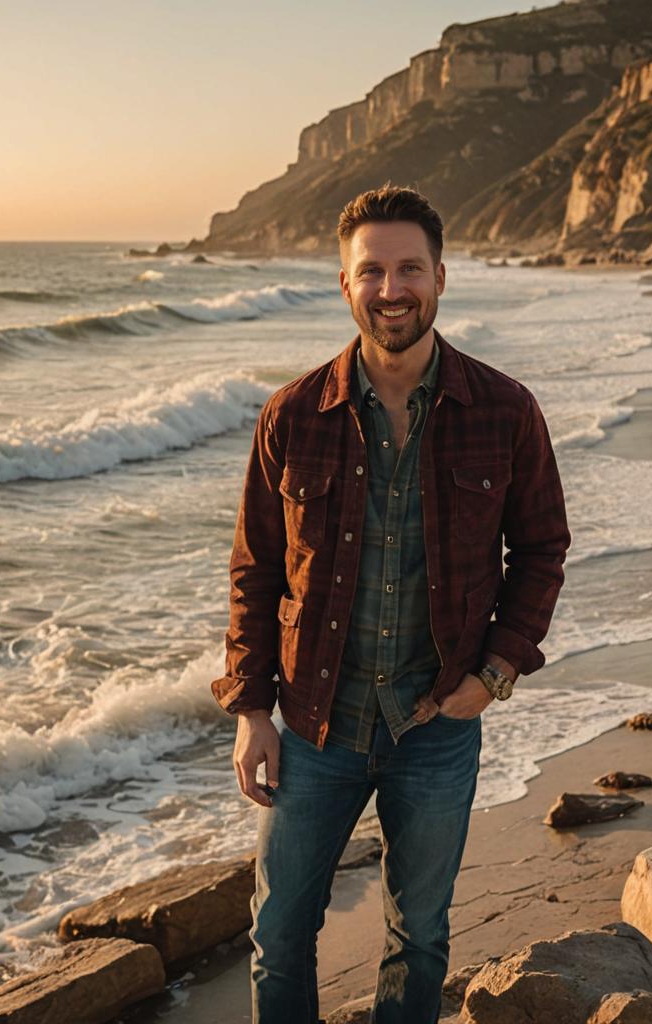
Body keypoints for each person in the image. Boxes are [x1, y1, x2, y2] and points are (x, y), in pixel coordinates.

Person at [211, 184, 570, 1024]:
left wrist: (497, 670)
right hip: (312, 725)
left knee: (422, 938)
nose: (391, 287)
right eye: (371, 270)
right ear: (345, 285)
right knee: (279, 932)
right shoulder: (293, 416)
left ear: (441, 277)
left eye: (409, 267)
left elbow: (542, 549)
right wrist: (250, 709)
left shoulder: (505, 410)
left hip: (436, 726)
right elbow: (254, 573)